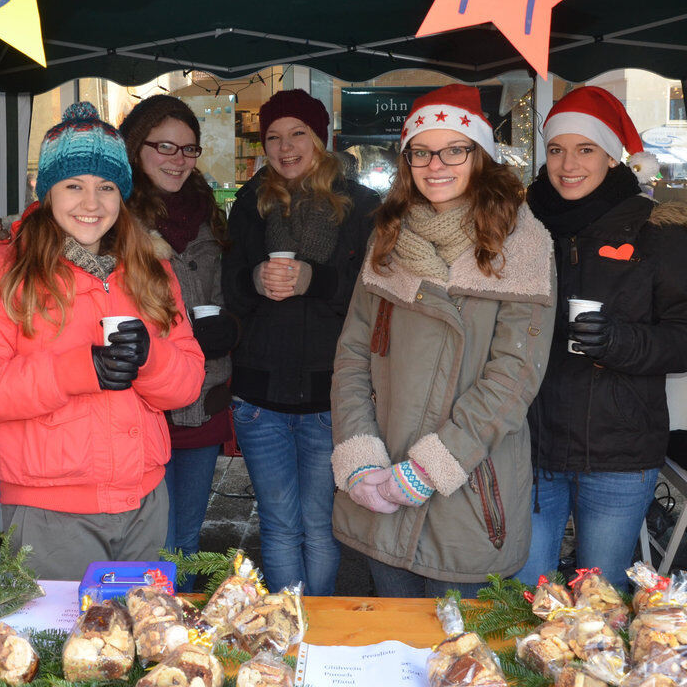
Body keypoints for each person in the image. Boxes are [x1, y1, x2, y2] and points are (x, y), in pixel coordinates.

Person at [0, 102, 205, 581]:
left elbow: (187, 382)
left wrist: (151, 359)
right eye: (73, 185)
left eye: (106, 187)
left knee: (140, 642)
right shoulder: (1, 272)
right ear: (46, 193)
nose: (92, 202)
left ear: (122, 194)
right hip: (50, 513)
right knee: (65, 651)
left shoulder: (151, 268)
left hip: (146, 502)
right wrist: (74, 372)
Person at [331, 84, 555, 598]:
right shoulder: (388, 236)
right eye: (421, 151)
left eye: (455, 149)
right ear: (406, 159)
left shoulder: (520, 241)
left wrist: (429, 469)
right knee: (396, 653)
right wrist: (360, 456)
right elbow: (351, 357)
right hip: (382, 488)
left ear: (481, 156)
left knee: (464, 665)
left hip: (470, 497)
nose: (436, 164)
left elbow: (513, 379)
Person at [515, 86, 687, 590]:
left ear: (613, 157)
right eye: (556, 149)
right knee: (525, 593)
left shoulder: (658, 231)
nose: (568, 164)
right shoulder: (521, 228)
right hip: (531, 445)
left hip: (619, 451)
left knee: (600, 603)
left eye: (585, 149)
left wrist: (618, 342)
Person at [222, 89, 380, 596]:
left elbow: (372, 295)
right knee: (278, 523)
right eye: (273, 137)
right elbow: (230, 291)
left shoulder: (361, 206)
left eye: (298, 135)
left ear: (321, 139)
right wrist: (255, 281)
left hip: (328, 395)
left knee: (319, 523)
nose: (286, 147)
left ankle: (322, 634)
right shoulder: (249, 204)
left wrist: (316, 280)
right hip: (258, 398)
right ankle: (289, 636)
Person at [119, 95, 237, 583]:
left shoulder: (208, 209)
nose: (178, 159)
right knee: (151, 538)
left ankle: (180, 644)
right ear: (135, 147)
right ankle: (153, 633)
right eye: (164, 146)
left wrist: (230, 325)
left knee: (187, 537)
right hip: (143, 399)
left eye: (188, 150)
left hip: (204, 395)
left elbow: (226, 288)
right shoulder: (113, 214)